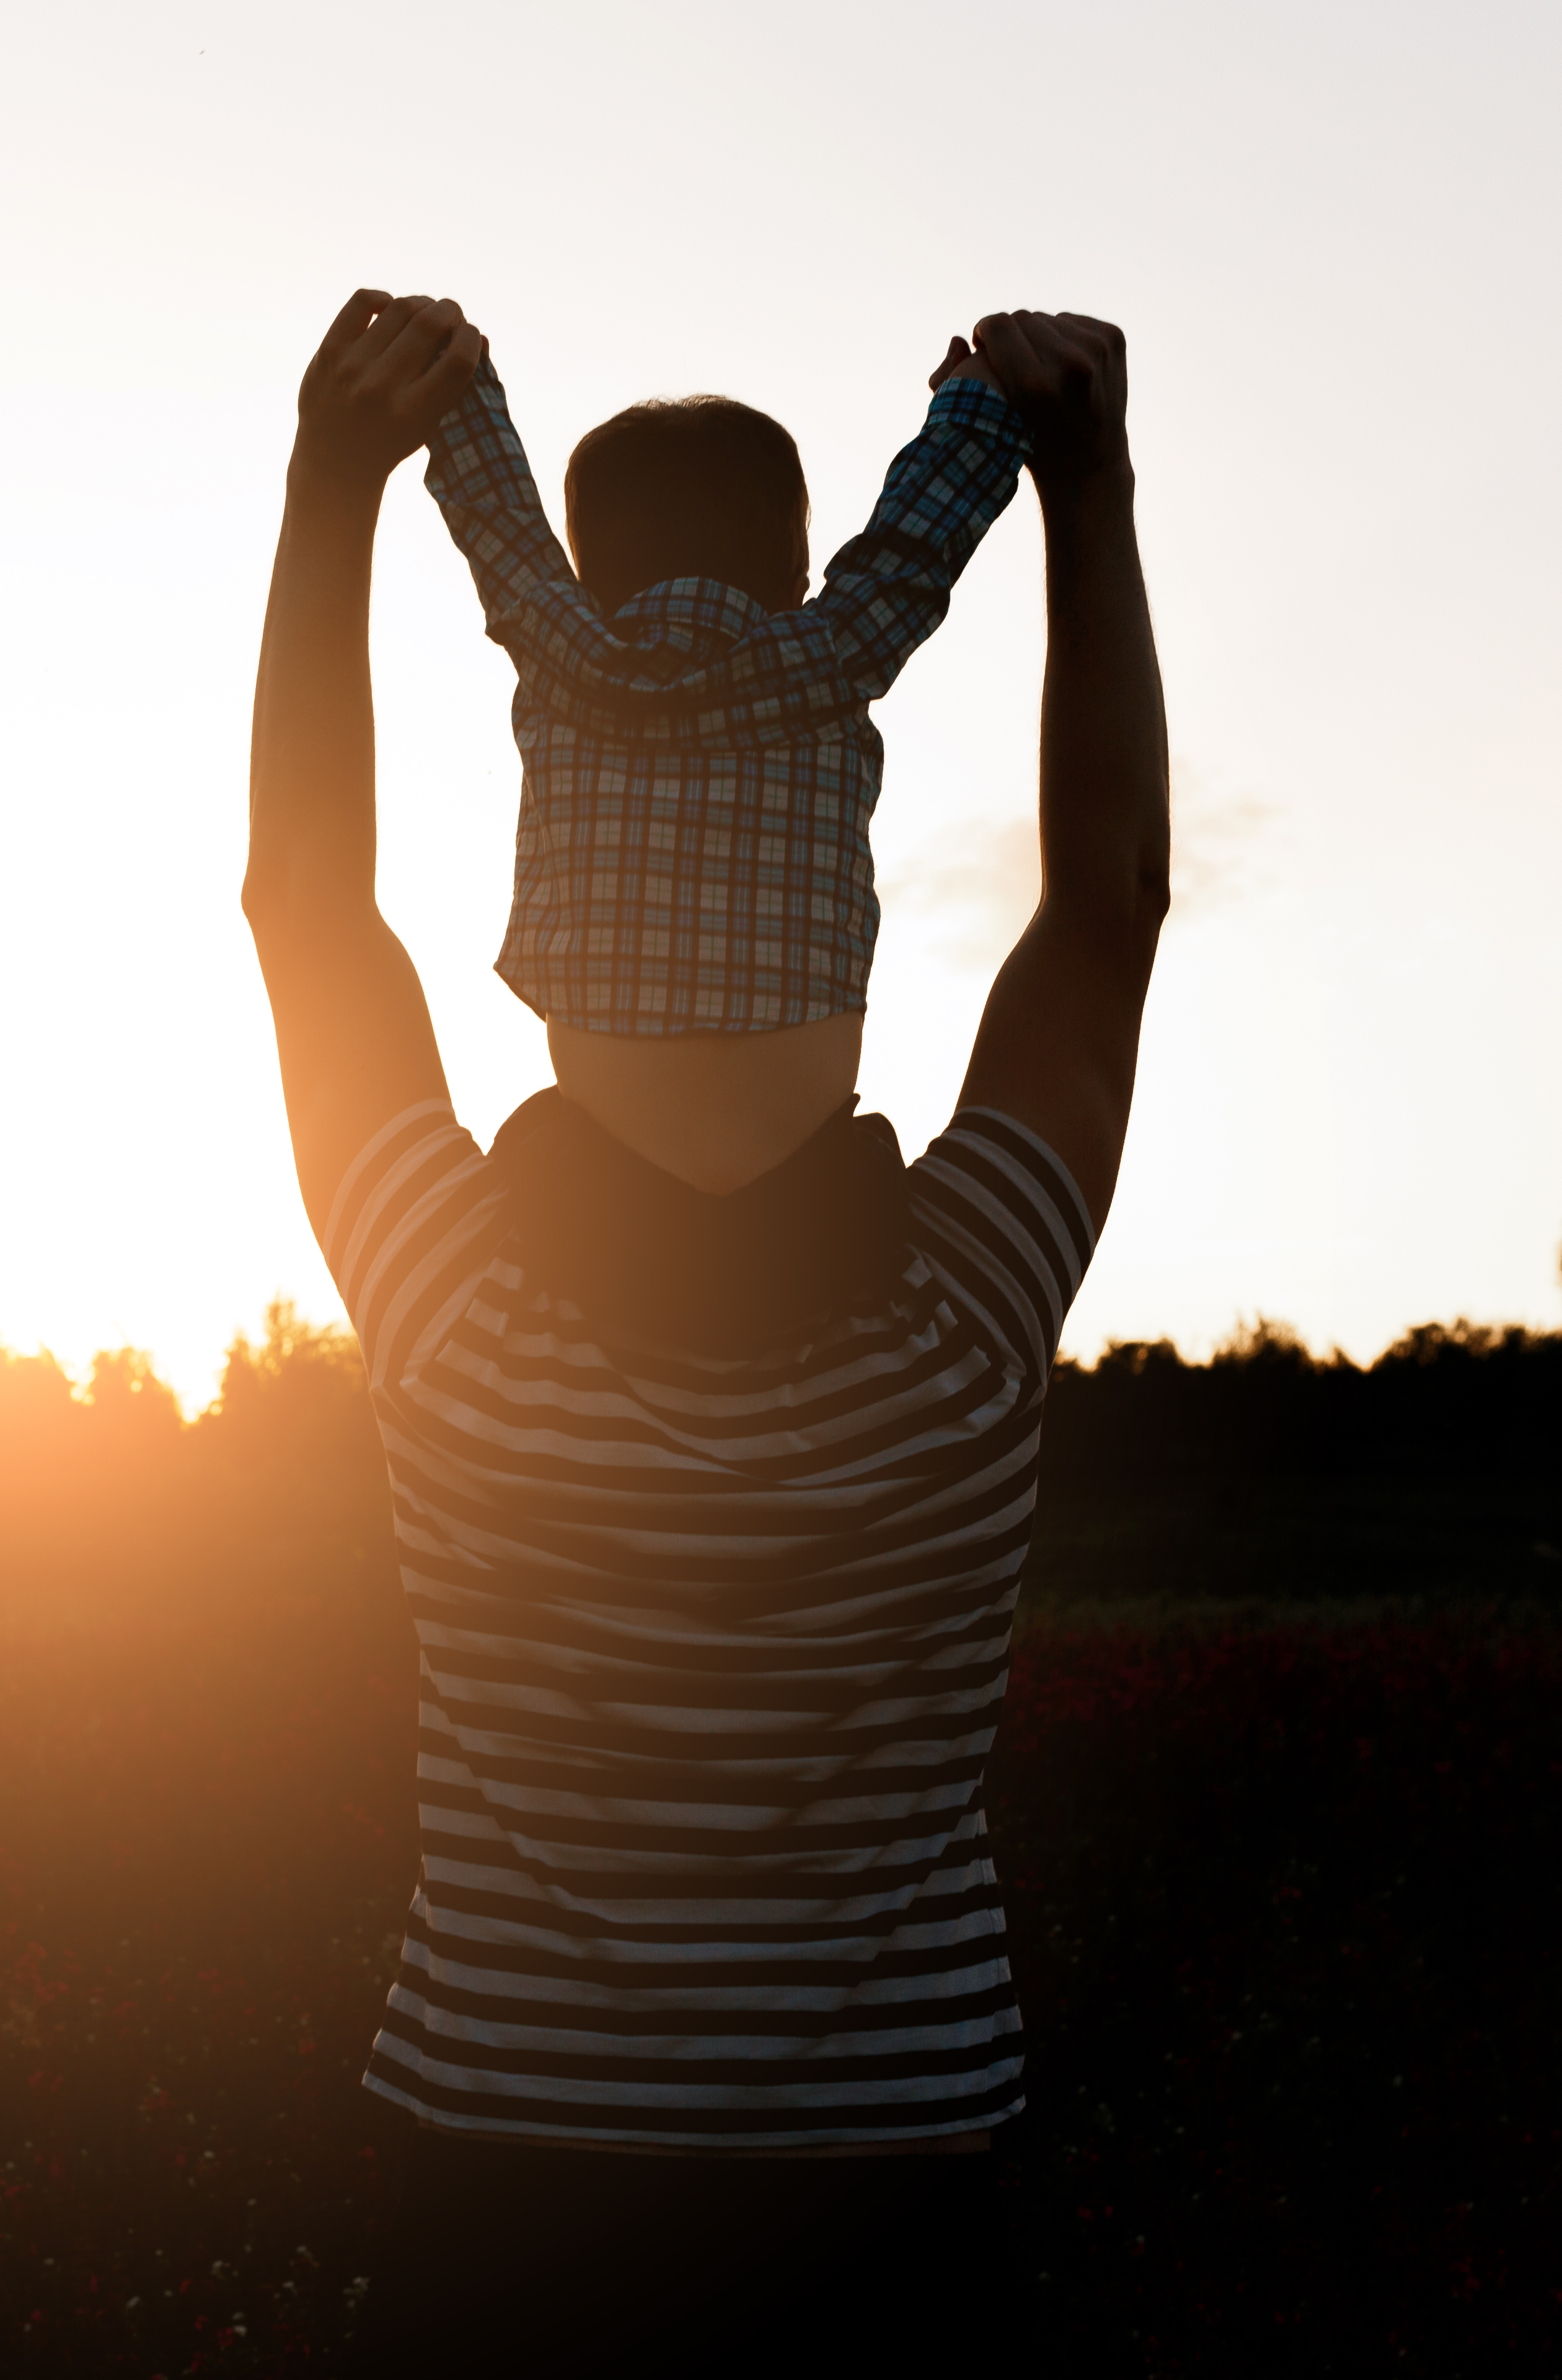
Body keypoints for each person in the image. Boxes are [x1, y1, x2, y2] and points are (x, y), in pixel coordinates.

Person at [242, 290, 1169, 2369]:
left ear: (558, 897)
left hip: (503, 2202)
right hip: (890, 2217)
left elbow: (305, 903)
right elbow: (1107, 909)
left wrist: (331, 496)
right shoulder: (965, 1316)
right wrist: (1087, 496)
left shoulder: (454, 1307)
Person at [418, 337, 1029, 1194]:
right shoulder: (833, 653)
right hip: (807, 1185)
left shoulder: (564, 651)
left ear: (587, 581)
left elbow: (498, 518)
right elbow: (913, 550)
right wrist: (979, 405)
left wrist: (454, 375)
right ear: (797, 572)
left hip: (598, 1187)